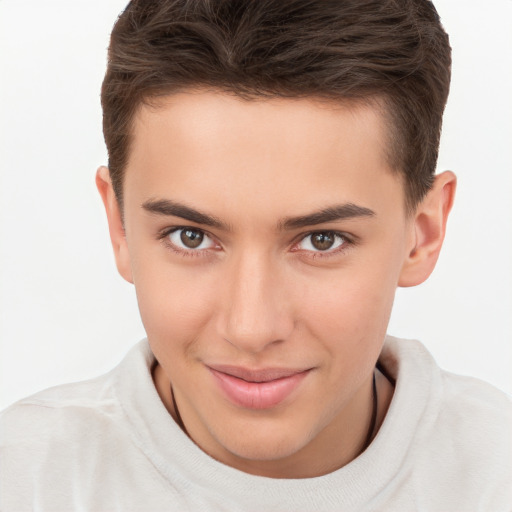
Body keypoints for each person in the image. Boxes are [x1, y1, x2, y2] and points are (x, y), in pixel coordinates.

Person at [1, 0, 510, 510]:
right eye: (191, 236)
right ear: (120, 227)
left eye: (321, 240)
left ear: (421, 235)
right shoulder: (25, 480)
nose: (251, 328)